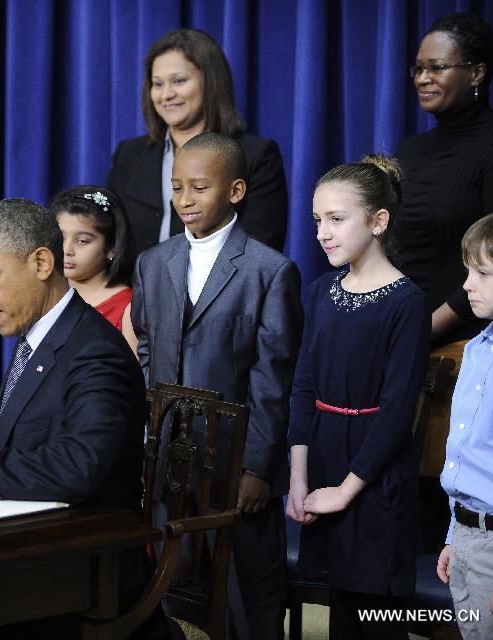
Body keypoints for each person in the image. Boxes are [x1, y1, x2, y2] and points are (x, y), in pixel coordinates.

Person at [0, 198, 170, 639]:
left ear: (41, 262)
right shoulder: (38, 337)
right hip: (29, 553)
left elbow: (79, 465)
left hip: (83, 574)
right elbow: (27, 456)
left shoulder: (94, 350)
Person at [132, 131, 302, 640]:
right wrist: (148, 440)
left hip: (234, 464)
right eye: (177, 187)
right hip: (170, 460)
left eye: (199, 188)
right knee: (170, 587)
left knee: (247, 595)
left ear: (235, 190)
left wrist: (258, 468)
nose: (184, 200)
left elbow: (274, 381)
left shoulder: (270, 272)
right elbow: (147, 352)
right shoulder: (153, 262)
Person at [287, 156, 430, 639]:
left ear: (378, 221)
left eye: (336, 219)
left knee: (374, 613)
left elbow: (396, 413)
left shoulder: (406, 301)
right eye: (317, 221)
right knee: (339, 610)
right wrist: (300, 481)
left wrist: (346, 491)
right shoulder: (320, 290)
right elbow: (304, 388)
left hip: (373, 473)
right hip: (325, 456)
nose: (323, 232)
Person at [108, 28, 288, 255]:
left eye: (179, 81)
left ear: (211, 82)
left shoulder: (256, 155)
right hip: (136, 289)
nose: (166, 94)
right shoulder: (128, 154)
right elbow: (109, 241)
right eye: (158, 83)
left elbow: (262, 252)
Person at [395, 12, 493, 345]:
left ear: (476, 74)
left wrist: (425, 330)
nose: (422, 79)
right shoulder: (409, 150)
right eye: (418, 68)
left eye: (437, 68)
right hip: (401, 334)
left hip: (464, 343)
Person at [437, 209, 493, 639]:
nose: (467, 284)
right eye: (468, 271)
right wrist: (454, 535)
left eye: (482, 272)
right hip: (467, 534)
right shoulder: (478, 349)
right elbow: (467, 456)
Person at [49, 185, 138, 353]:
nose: (67, 250)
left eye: (82, 241)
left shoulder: (128, 308)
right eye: (60, 237)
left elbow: (135, 377)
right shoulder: (48, 296)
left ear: (112, 247)